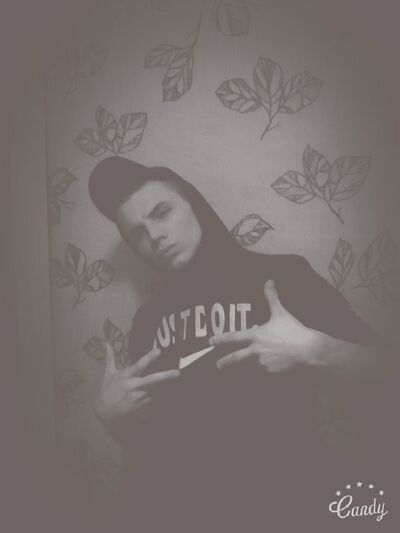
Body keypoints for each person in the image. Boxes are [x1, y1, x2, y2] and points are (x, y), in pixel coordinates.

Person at [88, 156, 395, 532]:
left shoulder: (282, 277)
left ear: (194, 204)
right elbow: (155, 449)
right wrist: (115, 422)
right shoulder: (147, 321)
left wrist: (314, 349)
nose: (154, 236)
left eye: (162, 212)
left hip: (283, 511)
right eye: (137, 232)